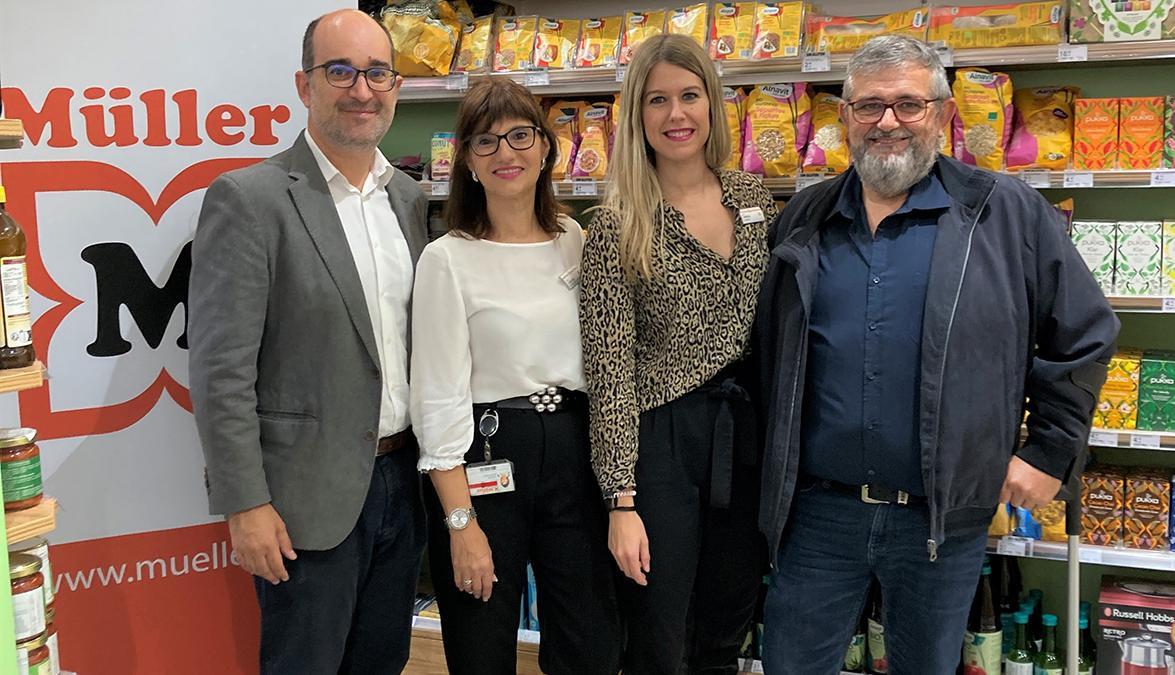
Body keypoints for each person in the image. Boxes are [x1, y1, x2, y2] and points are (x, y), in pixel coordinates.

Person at [755, 35, 1120, 674]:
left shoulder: (1004, 213)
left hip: (940, 521)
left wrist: (1050, 452)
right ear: (844, 118)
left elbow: (1085, 333)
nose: (887, 122)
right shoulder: (806, 217)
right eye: (868, 106)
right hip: (817, 515)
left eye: (907, 104)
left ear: (943, 115)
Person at [188, 10, 428, 674]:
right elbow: (220, 370)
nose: (361, 90)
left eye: (377, 73)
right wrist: (246, 502)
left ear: (395, 86)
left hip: (401, 487)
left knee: (382, 663)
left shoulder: (408, 200)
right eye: (341, 71)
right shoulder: (250, 199)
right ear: (305, 84)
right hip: (302, 504)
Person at [410, 77, 621, 675]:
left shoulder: (574, 239)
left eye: (520, 135)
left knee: (589, 639)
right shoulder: (447, 257)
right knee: (482, 636)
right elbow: (438, 395)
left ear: (547, 147)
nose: (506, 153)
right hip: (487, 454)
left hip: (576, 453)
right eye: (486, 141)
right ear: (468, 163)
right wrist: (460, 525)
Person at [580, 33, 776, 673]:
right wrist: (621, 502)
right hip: (660, 445)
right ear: (636, 113)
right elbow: (610, 369)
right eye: (657, 100)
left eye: (690, 95)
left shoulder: (752, 198)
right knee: (659, 639)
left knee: (727, 627)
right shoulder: (618, 223)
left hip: (744, 437)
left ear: (713, 105)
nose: (676, 115)